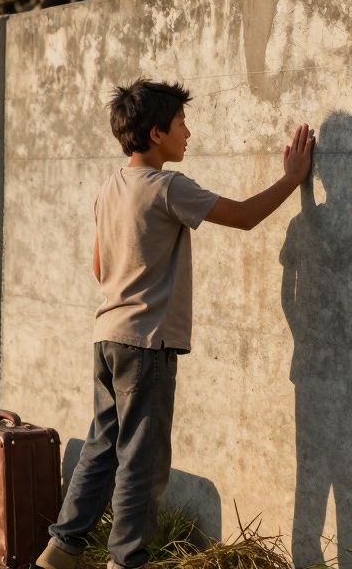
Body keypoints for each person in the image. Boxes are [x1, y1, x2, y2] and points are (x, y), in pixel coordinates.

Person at [36, 79, 314, 569]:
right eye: (182, 124)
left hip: (107, 338)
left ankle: (61, 550)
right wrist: (292, 179)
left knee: (102, 448)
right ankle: (127, 561)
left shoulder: (109, 189)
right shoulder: (168, 188)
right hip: (147, 343)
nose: (189, 133)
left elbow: (99, 267)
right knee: (141, 461)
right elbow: (244, 216)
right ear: (157, 132)